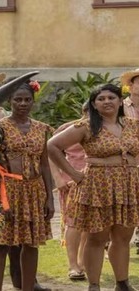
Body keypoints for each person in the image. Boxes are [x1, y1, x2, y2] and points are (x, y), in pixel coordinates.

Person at [48, 84, 139, 291]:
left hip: (127, 186)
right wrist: (73, 174)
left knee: (123, 238)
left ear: (119, 101)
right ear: (94, 104)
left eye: (111, 97)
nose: (106, 101)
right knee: (97, 237)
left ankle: (122, 283)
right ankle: (94, 285)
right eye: (101, 99)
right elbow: (52, 146)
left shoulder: (133, 125)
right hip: (97, 185)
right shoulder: (86, 126)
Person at [0, 80, 55, 291]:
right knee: (0, 243)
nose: (22, 103)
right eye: (18, 99)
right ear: (9, 101)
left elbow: (44, 164)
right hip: (7, 189)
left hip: (34, 190)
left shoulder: (41, 129)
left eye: (27, 100)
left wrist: (49, 198)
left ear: (33, 102)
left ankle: (27, 288)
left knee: (31, 243)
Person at [49, 102, 88, 281]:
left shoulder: (107, 128)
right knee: (73, 222)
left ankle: (83, 262)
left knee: (92, 224)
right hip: (71, 181)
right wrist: (58, 178)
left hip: (97, 181)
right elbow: (50, 151)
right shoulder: (70, 128)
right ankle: (73, 264)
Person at [120, 68, 139, 256]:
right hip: (125, 163)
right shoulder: (121, 107)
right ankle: (114, 243)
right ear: (131, 85)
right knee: (125, 204)